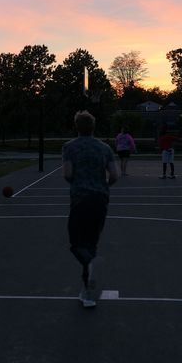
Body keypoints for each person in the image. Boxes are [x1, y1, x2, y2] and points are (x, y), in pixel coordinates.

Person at [63, 110, 119, 308]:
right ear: (93, 127)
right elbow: (114, 175)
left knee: (76, 242)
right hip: (100, 198)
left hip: (80, 197)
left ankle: (88, 264)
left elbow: (68, 174)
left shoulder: (70, 147)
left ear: (77, 127)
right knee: (91, 242)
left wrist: (78, 180)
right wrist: (102, 186)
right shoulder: (104, 148)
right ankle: (87, 294)